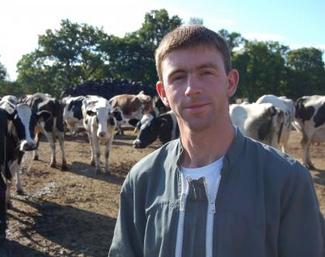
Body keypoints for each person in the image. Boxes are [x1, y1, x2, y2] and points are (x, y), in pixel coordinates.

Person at [108, 25, 325, 257]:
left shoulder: (287, 180)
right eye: (178, 77)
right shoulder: (142, 179)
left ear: (230, 82)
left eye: (206, 72)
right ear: (162, 93)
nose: (192, 88)